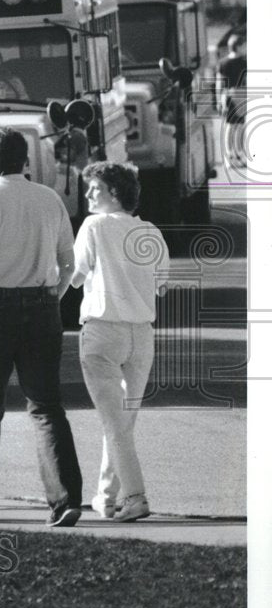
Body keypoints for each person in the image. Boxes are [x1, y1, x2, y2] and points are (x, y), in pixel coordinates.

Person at [0, 125, 83, 527]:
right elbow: (69, 263)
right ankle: (65, 499)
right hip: (42, 306)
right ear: (25, 159)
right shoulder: (48, 199)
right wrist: (50, 299)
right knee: (46, 406)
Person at [71, 162, 169, 523]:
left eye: (93, 188)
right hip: (141, 335)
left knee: (115, 424)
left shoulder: (93, 226)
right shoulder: (152, 232)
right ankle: (105, 496)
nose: (87, 195)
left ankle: (136, 496)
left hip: (103, 332)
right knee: (121, 423)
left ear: (113, 192)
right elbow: (161, 284)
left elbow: (76, 276)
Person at [217, 33, 247, 166]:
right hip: (240, 95)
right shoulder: (244, 62)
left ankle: (230, 156)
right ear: (239, 46)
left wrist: (219, 100)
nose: (245, 47)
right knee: (239, 126)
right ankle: (237, 154)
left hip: (228, 95)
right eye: (244, 45)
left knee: (231, 126)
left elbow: (219, 83)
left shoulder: (223, 62)